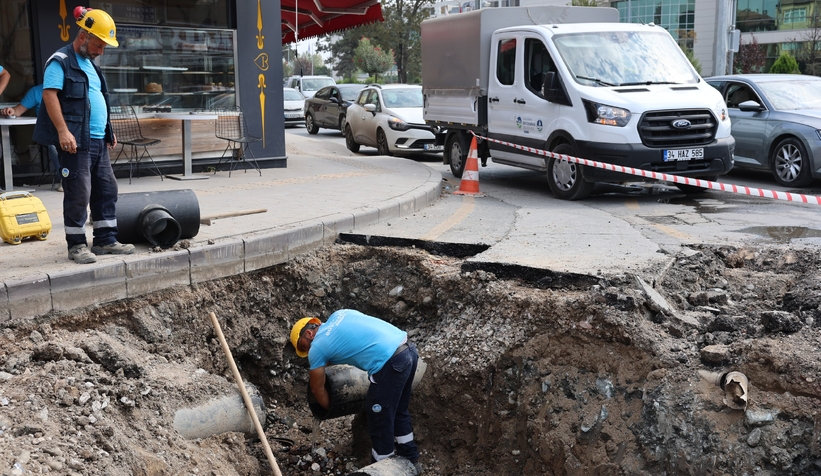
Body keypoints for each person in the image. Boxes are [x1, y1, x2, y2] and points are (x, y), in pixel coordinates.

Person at [33, 6, 134, 264]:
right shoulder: (61, 61)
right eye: (99, 45)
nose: (101, 51)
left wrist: (108, 130)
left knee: (106, 188)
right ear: (83, 37)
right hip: (76, 142)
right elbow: (49, 94)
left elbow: (98, 99)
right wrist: (63, 131)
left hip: (98, 141)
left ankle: (105, 240)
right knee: (79, 192)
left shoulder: (91, 66)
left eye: (103, 48)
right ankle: (76, 245)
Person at [291, 309, 422, 471]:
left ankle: (384, 470)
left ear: (310, 333)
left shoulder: (317, 346)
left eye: (304, 347)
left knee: (379, 418)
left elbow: (317, 389)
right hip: (408, 351)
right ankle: (411, 460)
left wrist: (328, 408)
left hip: (389, 363)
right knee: (398, 410)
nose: (307, 352)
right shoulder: (340, 314)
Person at [2, 85, 63, 192]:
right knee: (54, 147)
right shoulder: (36, 91)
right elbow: (18, 110)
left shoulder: (71, 88)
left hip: (73, 129)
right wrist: (11, 110)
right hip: (51, 133)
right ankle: (65, 179)